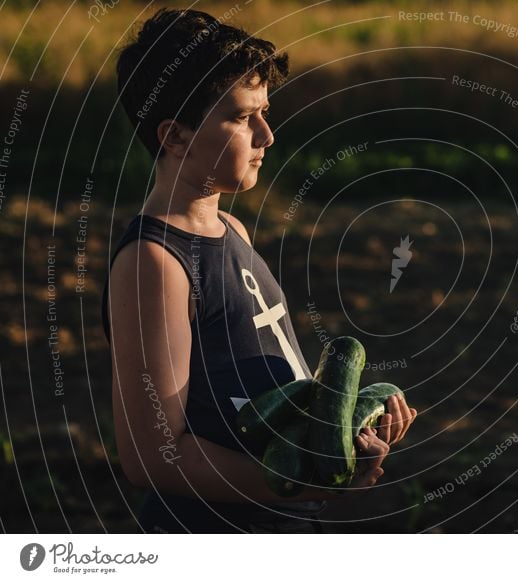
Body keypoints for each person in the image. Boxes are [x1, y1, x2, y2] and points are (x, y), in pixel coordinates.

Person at [102, 7, 417, 533]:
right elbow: (154, 457)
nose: (267, 136)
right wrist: (308, 484)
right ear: (175, 136)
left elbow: (276, 392)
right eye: (243, 118)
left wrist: (341, 435)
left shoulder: (232, 231)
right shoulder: (153, 263)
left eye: (264, 112)